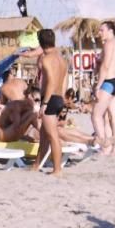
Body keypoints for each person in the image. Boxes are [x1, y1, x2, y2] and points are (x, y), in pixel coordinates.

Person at [32, 29, 67, 176]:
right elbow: (63, 81)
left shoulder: (46, 59)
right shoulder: (62, 59)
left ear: (40, 43)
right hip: (58, 98)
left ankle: (57, 169)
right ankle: (36, 165)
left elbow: (51, 82)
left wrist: (45, 103)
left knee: (52, 136)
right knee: (44, 136)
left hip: (50, 99)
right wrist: (62, 100)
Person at [91, 21, 115, 155]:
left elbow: (105, 66)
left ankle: (105, 147)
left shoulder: (108, 44)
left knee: (96, 115)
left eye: (102, 30)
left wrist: (98, 86)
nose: (99, 33)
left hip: (109, 81)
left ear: (110, 31)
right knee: (114, 117)